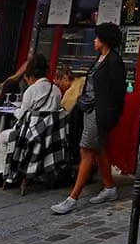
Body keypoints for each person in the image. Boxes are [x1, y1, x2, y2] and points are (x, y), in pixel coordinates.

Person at [51, 22, 128, 215]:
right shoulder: (99, 58)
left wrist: (112, 115)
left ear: (105, 40)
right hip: (89, 108)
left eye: (97, 37)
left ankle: (73, 198)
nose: (94, 40)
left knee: (86, 149)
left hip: (100, 112)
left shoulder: (114, 61)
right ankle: (110, 188)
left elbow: (118, 92)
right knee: (98, 149)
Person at [0, 54, 62, 185]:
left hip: (29, 135)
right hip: (49, 136)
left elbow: (21, 115)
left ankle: (5, 172)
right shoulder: (56, 90)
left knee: (3, 136)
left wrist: (15, 109)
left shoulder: (31, 90)